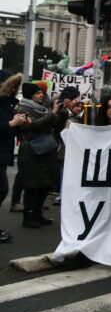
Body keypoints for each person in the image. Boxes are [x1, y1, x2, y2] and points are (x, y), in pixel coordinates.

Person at [15, 82, 66, 228]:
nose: (41, 95)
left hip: (45, 151)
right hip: (31, 152)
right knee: (32, 186)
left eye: (41, 93)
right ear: (30, 95)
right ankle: (28, 216)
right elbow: (35, 125)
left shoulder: (44, 108)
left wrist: (61, 113)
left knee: (44, 185)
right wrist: (52, 113)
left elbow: (53, 124)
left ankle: (37, 213)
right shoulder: (24, 108)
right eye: (37, 93)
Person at [0, 71, 26, 241]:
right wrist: (11, 123)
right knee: (1, 189)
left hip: (3, 153)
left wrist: (21, 123)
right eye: (12, 87)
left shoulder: (10, 104)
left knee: (1, 190)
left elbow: (14, 129)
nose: (14, 91)